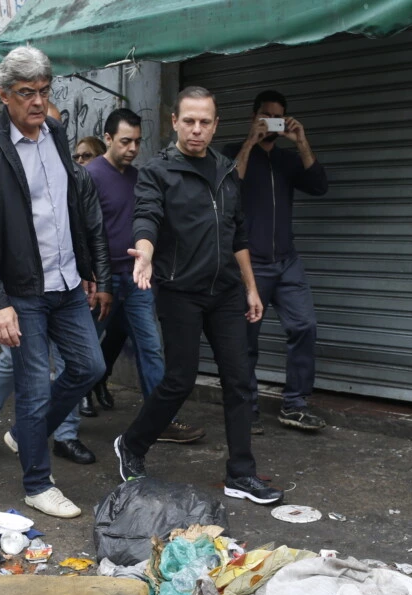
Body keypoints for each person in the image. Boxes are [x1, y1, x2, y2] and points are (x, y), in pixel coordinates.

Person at [113, 86, 283, 506]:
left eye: (205, 122)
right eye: (188, 121)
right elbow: (147, 217)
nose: (196, 130)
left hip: (225, 291)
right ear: (174, 121)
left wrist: (251, 287)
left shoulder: (226, 170)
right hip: (180, 291)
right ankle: (132, 445)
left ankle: (240, 473)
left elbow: (238, 233)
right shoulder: (157, 171)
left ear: (215, 124)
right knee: (179, 380)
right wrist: (145, 255)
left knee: (241, 381)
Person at [0, 46, 111, 518]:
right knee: (33, 389)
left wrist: (86, 268)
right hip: (21, 291)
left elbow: (66, 207)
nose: (37, 102)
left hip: (66, 282)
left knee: (90, 367)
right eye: (27, 93)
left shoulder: (57, 132)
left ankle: (26, 434)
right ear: (3, 94)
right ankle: (36, 483)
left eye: (44, 92)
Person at [85, 108, 205, 444]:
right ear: (108, 139)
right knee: (83, 355)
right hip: (103, 283)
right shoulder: (91, 176)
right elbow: (84, 231)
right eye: (125, 141)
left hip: (136, 280)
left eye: (137, 142)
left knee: (151, 348)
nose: (133, 148)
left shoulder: (139, 178)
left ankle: (163, 420)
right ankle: (62, 422)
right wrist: (95, 277)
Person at [224, 90, 329, 433]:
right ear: (254, 116)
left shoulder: (285, 160)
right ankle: (247, 409)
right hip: (250, 264)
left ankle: (295, 405)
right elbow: (229, 186)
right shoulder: (232, 153)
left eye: (277, 117)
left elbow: (319, 186)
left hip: (287, 262)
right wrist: (250, 142)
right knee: (246, 340)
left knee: (304, 327)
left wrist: (301, 142)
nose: (271, 123)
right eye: (265, 116)